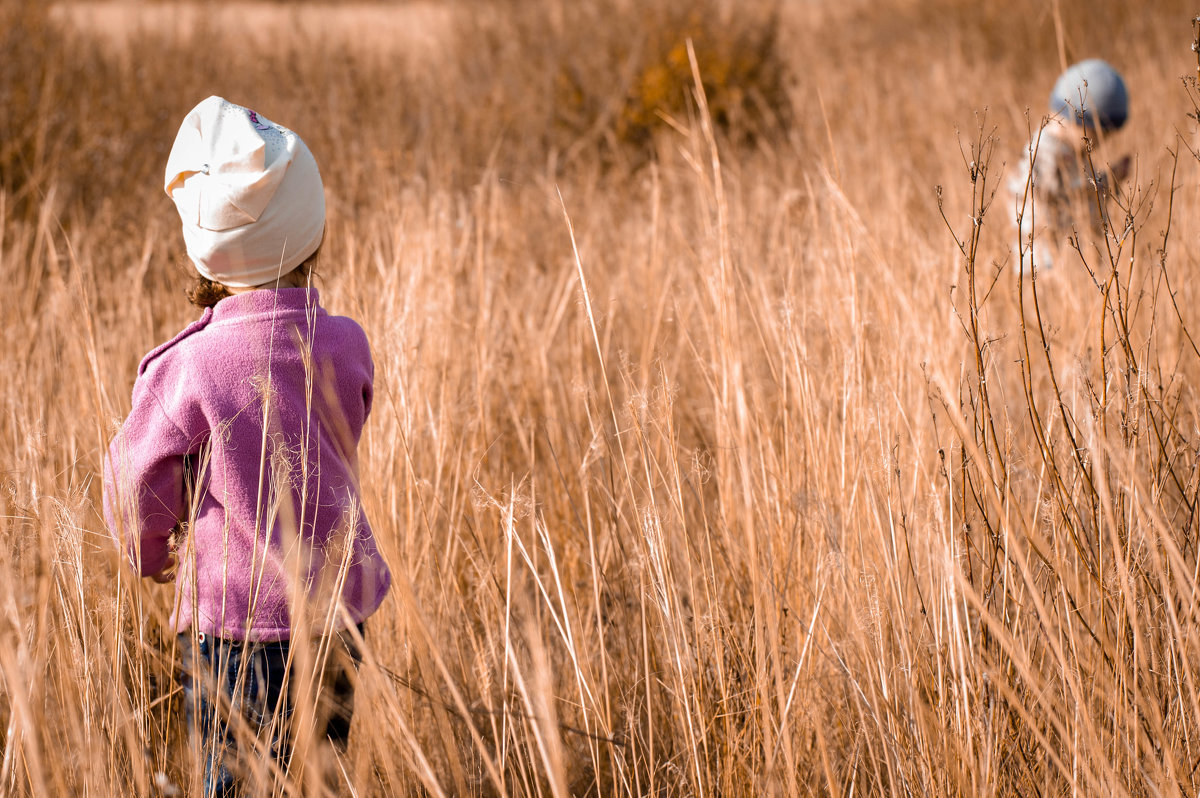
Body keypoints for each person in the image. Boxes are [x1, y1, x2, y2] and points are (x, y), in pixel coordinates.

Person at [103, 95, 392, 796]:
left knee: (234, 784)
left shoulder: (191, 365)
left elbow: (135, 479)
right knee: (319, 778)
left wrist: (151, 550)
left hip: (235, 628)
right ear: (312, 233)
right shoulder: (346, 341)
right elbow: (347, 429)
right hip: (337, 615)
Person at [1009, 58, 1131, 273]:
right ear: (1080, 122)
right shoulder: (1045, 155)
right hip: (1044, 268)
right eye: (1098, 135)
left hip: (1070, 266)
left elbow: (1075, 194)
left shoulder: (1071, 154)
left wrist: (1108, 182)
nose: (1099, 144)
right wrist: (1104, 185)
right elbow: (1057, 202)